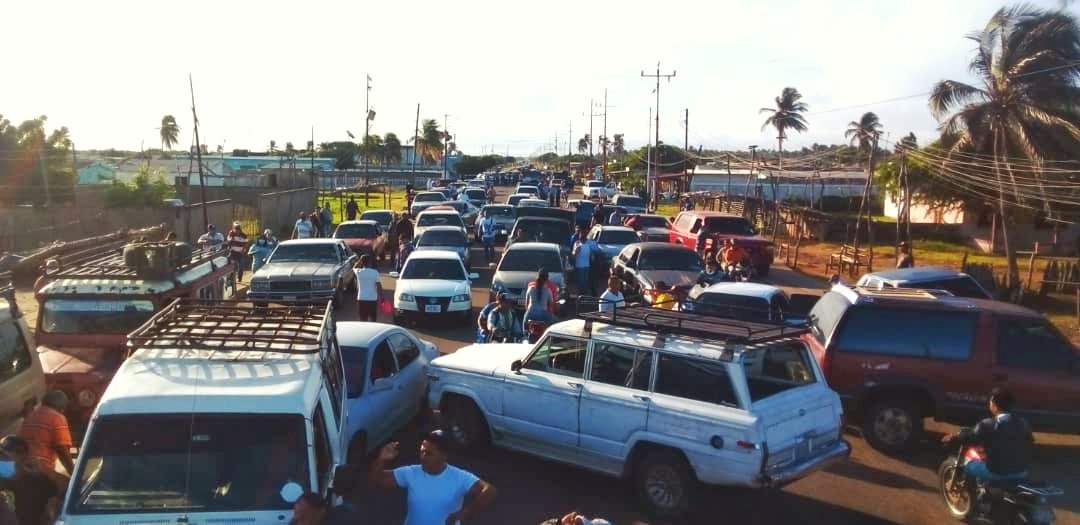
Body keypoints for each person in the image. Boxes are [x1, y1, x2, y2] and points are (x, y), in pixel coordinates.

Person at [368, 430, 497, 525]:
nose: (423, 456)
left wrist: (466, 512)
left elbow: (490, 491)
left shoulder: (459, 477)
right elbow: (377, 479)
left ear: (444, 456)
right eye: (422, 451)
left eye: (429, 453)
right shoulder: (411, 473)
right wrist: (381, 460)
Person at [942, 387, 1032, 482]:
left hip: (996, 472)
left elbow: (970, 438)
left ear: (993, 403)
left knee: (967, 462)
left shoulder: (987, 424)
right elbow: (1029, 441)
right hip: (1021, 472)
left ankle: (974, 494)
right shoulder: (1023, 423)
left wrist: (952, 438)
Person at [0, 436, 59, 525]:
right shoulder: (3, 481)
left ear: (22, 455)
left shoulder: (42, 482)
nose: (1, 460)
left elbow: (50, 514)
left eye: (3, 456)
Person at [19, 390, 73, 476]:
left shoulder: (30, 416)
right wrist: (75, 474)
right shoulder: (57, 418)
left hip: (21, 468)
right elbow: (62, 450)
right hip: (39, 469)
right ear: (61, 408)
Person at [354, 254, 382, 322]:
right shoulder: (375, 273)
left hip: (361, 299)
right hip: (372, 299)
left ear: (362, 262)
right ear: (370, 262)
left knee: (363, 320)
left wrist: (359, 261)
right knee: (373, 319)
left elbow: (354, 267)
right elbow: (378, 286)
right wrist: (381, 297)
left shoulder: (358, 272)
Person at [571, 227, 599, 295]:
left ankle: (584, 295)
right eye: (581, 235)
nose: (582, 237)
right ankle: (581, 295)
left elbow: (592, 256)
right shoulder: (577, 243)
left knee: (585, 282)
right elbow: (573, 255)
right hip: (579, 266)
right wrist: (576, 251)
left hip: (587, 266)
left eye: (583, 235)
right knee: (581, 282)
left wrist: (592, 256)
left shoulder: (588, 244)